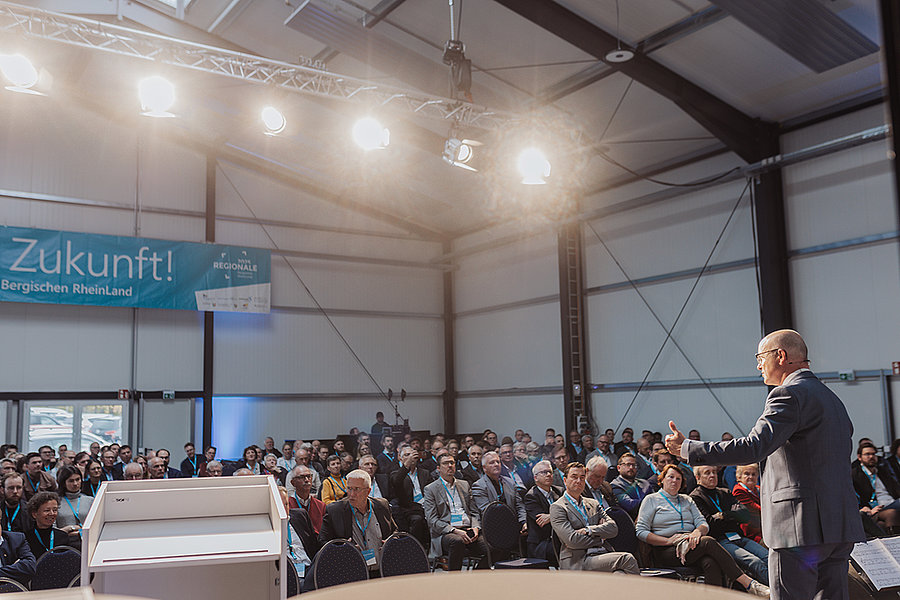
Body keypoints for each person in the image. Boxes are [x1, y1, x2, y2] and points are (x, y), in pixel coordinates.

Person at [666, 329, 864, 600]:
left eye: (760, 358)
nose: (758, 365)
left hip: (799, 527)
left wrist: (688, 448)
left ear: (780, 356)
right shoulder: (833, 400)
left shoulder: (789, 394)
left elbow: (753, 447)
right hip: (838, 524)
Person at [636, 465, 768, 595]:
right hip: (666, 549)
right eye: (671, 477)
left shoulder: (687, 500)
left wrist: (697, 531)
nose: (674, 481)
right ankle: (749, 584)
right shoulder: (651, 500)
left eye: (678, 478)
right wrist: (668, 541)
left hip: (690, 544)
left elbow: (703, 523)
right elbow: (641, 531)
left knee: (710, 562)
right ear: (662, 479)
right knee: (708, 541)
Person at [550, 461, 639, 574]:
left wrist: (589, 530)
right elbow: (572, 541)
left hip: (601, 554)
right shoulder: (558, 507)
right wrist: (601, 538)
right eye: (574, 477)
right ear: (565, 480)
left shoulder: (593, 503)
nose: (579, 481)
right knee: (626, 559)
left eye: (582, 477)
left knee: (620, 575)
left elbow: (613, 528)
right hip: (579, 560)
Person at [691, 464, 769, 584]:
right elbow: (710, 523)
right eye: (707, 473)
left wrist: (722, 515)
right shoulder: (696, 497)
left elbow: (745, 516)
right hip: (721, 541)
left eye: (714, 472)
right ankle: (777, 592)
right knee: (755, 562)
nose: (712, 475)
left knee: (768, 557)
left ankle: (787, 589)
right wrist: (733, 515)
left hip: (739, 536)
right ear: (698, 478)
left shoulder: (725, 492)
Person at [318, 469, 396, 577]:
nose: (351, 494)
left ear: (368, 491)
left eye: (357, 489)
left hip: (383, 571)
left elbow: (395, 532)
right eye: (349, 488)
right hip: (352, 574)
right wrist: (342, 549)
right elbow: (322, 542)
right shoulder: (335, 511)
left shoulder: (382, 505)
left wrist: (390, 543)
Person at [422, 454, 488, 570]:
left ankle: (478, 573)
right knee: (457, 541)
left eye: (452, 463)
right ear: (438, 468)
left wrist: (476, 527)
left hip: (468, 529)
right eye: (445, 463)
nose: (450, 466)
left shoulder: (464, 484)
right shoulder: (431, 489)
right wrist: (455, 530)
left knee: (492, 545)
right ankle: (454, 577)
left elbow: (474, 512)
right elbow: (432, 520)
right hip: (446, 532)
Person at [389, 446, 432, 550]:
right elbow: (397, 482)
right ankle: (415, 549)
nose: (410, 457)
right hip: (409, 509)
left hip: (427, 506)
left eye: (412, 455)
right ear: (400, 458)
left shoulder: (425, 473)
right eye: (406, 455)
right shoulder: (396, 473)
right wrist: (406, 465)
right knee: (417, 520)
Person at [852, 441, 900, 533]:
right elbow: (855, 498)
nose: (871, 457)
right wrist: (866, 509)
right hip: (874, 509)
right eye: (867, 454)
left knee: (883, 523)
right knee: (892, 514)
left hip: (892, 503)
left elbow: (896, 490)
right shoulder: (855, 475)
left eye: (873, 454)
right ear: (859, 457)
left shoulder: (883, 471)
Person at [471, 451, 527, 532]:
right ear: (484, 468)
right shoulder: (479, 486)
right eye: (492, 462)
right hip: (494, 527)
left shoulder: (510, 482)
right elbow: (487, 513)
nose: (496, 464)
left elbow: (519, 505)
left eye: (498, 462)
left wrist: (524, 522)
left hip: (514, 523)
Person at [523, 460, 562, 565]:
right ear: (535, 478)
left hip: (559, 538)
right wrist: (557, 516)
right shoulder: (531, 496)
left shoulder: (559, 491)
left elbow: (570, 511)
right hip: (542, 544)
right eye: (544, 472)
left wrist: (551, 516)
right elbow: (542, 522)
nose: (548, 475)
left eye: (550, 472)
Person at [54, 465, 91, 550]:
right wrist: (70, 528)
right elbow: (53, 530)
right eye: (71, 481)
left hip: (87, 543)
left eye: (78, 479)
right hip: (64, 545)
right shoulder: (56, 502)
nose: (75, 484)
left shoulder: (90, 500)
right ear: (63, 483)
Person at [24, 492, 66, 560]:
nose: (52, 513)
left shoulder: (63, 536)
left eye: (55, 510)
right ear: (34, 514)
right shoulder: (26, 538)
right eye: (47, 510)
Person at [610, 453, 652, 519]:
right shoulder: (615, 486)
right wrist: (650, 502)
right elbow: (630, 506)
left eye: (634, 465)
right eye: (628, 464)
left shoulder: (645, 483)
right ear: (619, 468)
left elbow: (656, 500)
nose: (631, 468)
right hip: (631, 521)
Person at [288, 466, 325, 535]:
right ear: (293, 483)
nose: (307, 480)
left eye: (308, 476)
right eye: (302, 477)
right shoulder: (288, 505)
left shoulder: (321, 506)